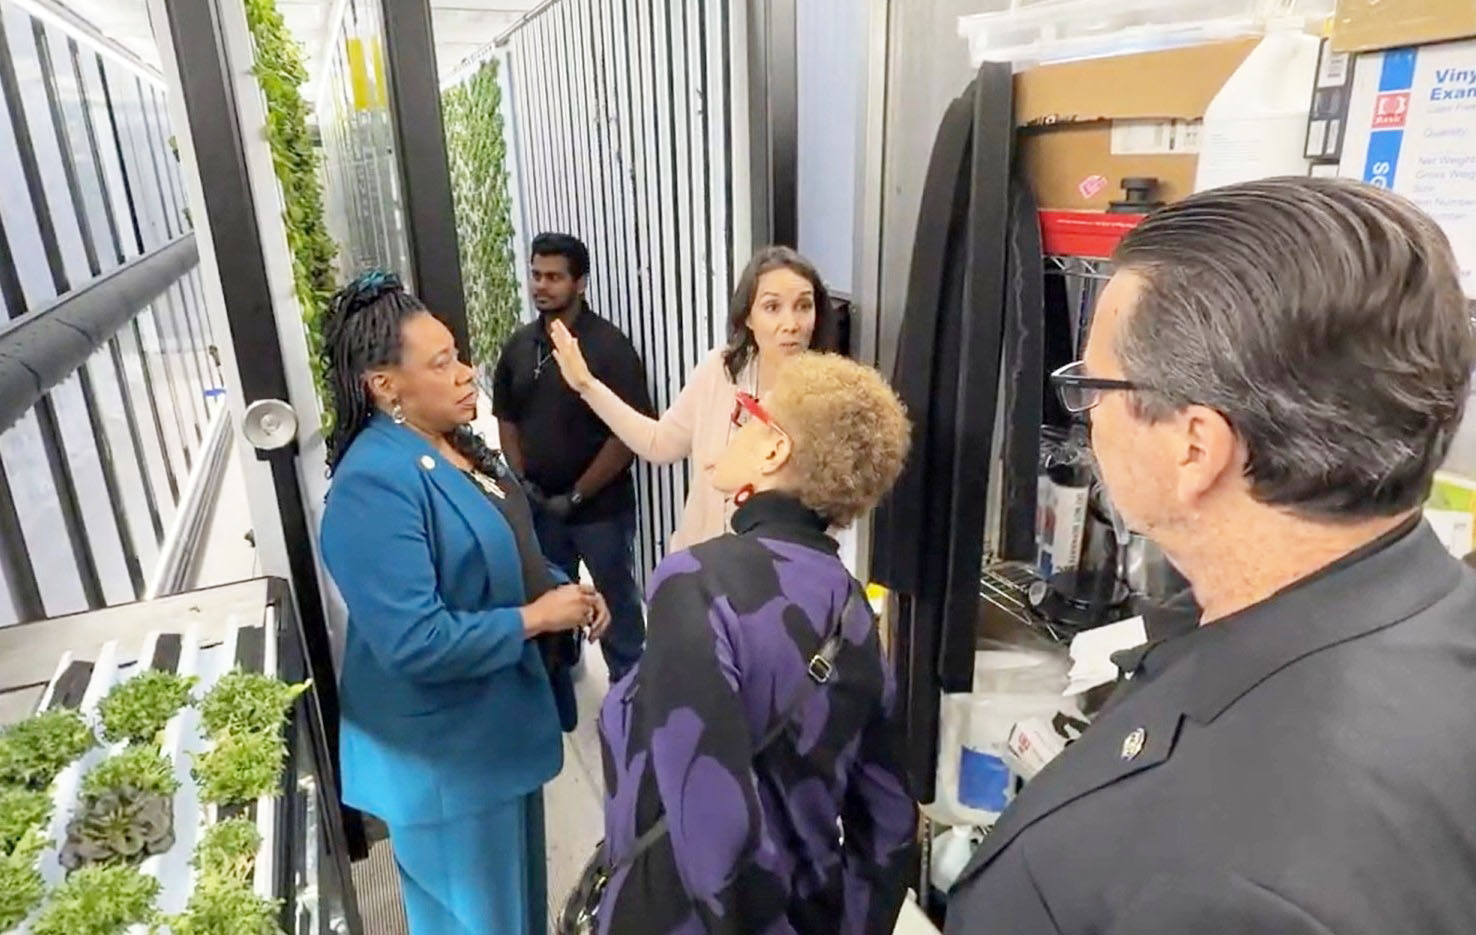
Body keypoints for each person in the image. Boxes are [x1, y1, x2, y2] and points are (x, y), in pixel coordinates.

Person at [947, 177, 1476, 934]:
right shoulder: (1433, 620)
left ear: (1195, 446)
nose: (1090, 418)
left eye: (1094, 387)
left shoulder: (1231, 885)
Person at [318, 272, 610, 935]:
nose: (464, 374)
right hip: (444, 764)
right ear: (384, 385)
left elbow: (502, 551)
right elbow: (414, 640)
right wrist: (537, 618)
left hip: (497, 741)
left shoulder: (453, 446)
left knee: (515, 914)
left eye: (457, 355)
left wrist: (561, 587)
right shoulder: (374, 484)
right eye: (441, 363)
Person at [596, 352, 917, 934]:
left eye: (747, 413)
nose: (735, 424)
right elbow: (890, 821)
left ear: (774, 450)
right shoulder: (853, 609)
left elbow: (713, 829)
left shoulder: (695, 583)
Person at [549, 245, 839, 551]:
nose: (791, 324)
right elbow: (658, 443)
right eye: (772, 307)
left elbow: (830, 514)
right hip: (697, 563)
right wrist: (587, 385)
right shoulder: (721, 371)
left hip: (774, 574)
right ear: (748, 317)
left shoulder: (829, 400)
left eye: (804, 306)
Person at [493, 232, 652, 683]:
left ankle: (630, 693)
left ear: (580, 283)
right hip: (541, 507)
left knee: (617, 602)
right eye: (536, 275)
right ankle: (562, 672)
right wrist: (522, 481)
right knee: (551, 596)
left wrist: (578, 496)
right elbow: (506, 416)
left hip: (601, 510)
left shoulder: (609, 349)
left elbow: (628, 434)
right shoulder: (519, 347)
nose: (541, 286)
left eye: (554, 277)